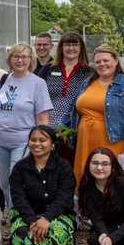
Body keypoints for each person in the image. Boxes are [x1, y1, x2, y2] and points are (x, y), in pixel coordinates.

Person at [65, 44, 124, 186]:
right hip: (85, 140)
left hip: (113, 141)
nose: (102, 64)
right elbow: (72, 108)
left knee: (110, 179)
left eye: (106, 60)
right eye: (98, 62)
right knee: (85, 179)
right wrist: (62, 128)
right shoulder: (86, 83)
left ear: (116, 61)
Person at [0, 43, 52, 207]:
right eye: (16, 56)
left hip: (22, 141)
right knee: (4, 183)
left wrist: (43, 142)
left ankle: (21, 218)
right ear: (10, 59)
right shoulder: (5, 79)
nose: (20, 60)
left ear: (31, 60)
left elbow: (43, 118)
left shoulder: (38, 83)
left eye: (24, 57)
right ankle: (13, 216)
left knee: (17, 180)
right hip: (0, 140)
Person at [9, 125, 76, 245]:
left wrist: (47, 218)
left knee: (58, 229)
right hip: (27, 214)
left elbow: (64, 198)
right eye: (33, 140)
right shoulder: (20, 168)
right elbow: (18, 197)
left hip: (58, 214)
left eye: (42, 140)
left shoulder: (64, 167)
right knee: (21, 229)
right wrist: (32, 220)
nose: (37, 143)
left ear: (52, 144)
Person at [36, 31, 93, 162]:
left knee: (70, 169)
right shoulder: (49, 69)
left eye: (75, 44)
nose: (71, 48)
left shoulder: (89, 73)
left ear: (81, 48)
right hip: (48, 130)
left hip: (74, 130)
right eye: (67, 44)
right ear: (61, 47)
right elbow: (37, 96)